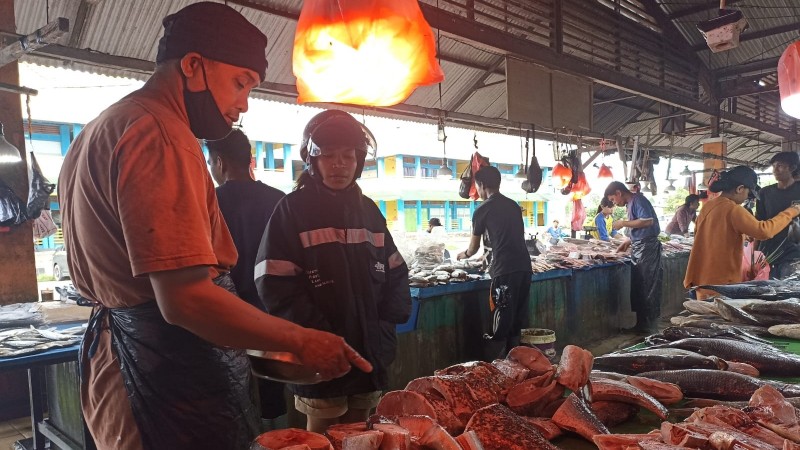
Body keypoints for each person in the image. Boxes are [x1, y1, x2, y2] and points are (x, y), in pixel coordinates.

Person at [58, 4, 370, 449]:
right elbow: (184, 299)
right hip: (158, 377)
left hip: (120, 365)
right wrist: (300, 339)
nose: (243, 104)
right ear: (192, 66)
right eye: (240, 82)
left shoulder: (102, 126)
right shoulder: (162, 134)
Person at [255, 110, 411, 433]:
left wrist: (384, 324)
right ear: (312, 160)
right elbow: (273, 282)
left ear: (359, 160)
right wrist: (318, 335)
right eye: (329, 156)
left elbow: (395, 268)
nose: (339, 164)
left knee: (361, 432)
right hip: (321, 355)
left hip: (368, 353)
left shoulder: (369, 211)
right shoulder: (292, 210)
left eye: (347, 155)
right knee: (325, 432)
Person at [206, 129, 288, 428]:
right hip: (273, 317)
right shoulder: (279, 200)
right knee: (272, 398)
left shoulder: (209, 204)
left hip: (225, 320)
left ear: (219, 162)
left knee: (233, 401)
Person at [685, 166, 800, 298]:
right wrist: (791, 212)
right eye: (747, 193)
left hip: (701, 278)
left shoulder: (709, 206)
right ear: (739, 189)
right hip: (720, 282)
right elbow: (764, 231)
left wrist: (742, 235)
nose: (746, 198)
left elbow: (714, 234)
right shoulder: (733, 209)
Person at [457, 166, 532, 361]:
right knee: (516, 320)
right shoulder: (514, 206)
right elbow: (507, 238)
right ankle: (516, 367)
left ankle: (499, 370)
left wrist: (463, 254)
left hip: (504, 271)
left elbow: (472, 249)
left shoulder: (482, 209)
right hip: (524, 268)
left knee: (501, 324)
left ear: (481, 185)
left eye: (477, 187)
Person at [605, 181, 662, 334]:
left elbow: (648, 221)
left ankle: (649, 326)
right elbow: (641, 226)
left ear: (618, 193)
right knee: (639, 287)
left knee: (647, 287)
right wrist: (629, 241)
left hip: (647, 249)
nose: (614, 203)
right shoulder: (630, 203)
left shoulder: (638, 200)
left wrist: (623, 223)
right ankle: (640, 324)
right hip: (638, 247)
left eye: (613, 199)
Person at [755, 152, 800, 278]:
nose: (775, 170)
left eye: (780, 166)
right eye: (774, 166)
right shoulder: (765, 193)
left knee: (789, 292)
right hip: (768, 252)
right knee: (766, 291)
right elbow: (759, 224)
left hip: (794, 254)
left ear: (792, 168)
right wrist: (755, 253)